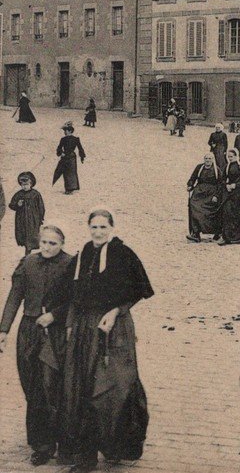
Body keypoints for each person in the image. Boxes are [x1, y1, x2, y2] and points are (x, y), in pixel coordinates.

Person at [63, 209, 154, 472]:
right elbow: (70, 292)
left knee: (115, 386)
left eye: (103, 227)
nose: (98, 232)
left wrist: (116, 311)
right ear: (88, 228)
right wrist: (70, 323)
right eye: (94, 227)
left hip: (114, 328)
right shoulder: (83, 255)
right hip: (84, 329)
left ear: (112, 227)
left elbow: (140, 288)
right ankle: (87, 456)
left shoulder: (122, 254)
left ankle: (120, 444)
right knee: (83, 386)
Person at [0, 224, 75, 466]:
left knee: (53, 386)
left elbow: (76, 301)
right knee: (32, 386)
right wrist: (3, 329)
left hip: (55, 334)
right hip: (29, 331)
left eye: (53, 243)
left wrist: (55, 315)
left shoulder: (71, 264)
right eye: (44, 242)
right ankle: (40, 443)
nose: (47, 247)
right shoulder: (28, 263)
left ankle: (62, 442)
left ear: (62, 244)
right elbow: (15, 296)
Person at [219, 149, 240, 246]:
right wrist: (226, 185)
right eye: (228, 157)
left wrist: (236, 185)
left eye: (232, 156)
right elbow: (222, 179)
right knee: (228, 213)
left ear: (236, 156)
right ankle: (228, 236)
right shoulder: (226, 167)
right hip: (230, 194)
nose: (230, 158)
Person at [186, 153, 223, 243]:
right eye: (206, 158)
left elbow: (220, 184)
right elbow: (192, 178)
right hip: (199, 192)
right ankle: (195, 233)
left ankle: (216, 233)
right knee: (193, 206)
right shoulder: (199, 167)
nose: (208, 160)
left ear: (213, 159)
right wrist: (190, 185)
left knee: (212, 211)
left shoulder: (216, 170)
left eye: (210, 158)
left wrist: (216, 196)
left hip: (211, 193)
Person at [10, 172, 45, 256]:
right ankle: (27, 250)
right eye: (22, 184)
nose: (24, 186)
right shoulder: (18, 194)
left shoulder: (36, 194)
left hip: (33, 219)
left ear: (31, 184)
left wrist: (40, 218)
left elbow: (41, 207)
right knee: (23, 235)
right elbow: (11, 205)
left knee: (32, 235)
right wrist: (17, 205)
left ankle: (28, 252)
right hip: (21, 220)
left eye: (26, 184)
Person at [53, 122, 86, 195]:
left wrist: (82, 156)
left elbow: (80, 148)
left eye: (66, 131)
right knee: (66, 172)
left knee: (72, 172)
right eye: (64, 131)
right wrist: (61, 153)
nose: (64, 132)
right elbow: (59, 148)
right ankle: (68, 188)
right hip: (66, 156)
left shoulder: (75, 139)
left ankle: (72, 188)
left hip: (71, 157)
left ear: (70, 131)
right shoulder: (63, 139)